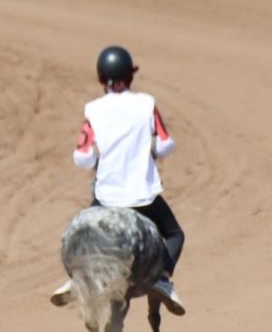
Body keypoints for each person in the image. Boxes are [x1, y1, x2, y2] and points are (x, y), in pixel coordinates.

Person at [50, 46, 185, 313]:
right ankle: (163, 278)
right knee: (175, 233)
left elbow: (82, 158)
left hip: (106, 198)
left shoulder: (93, 109)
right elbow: (167, 144)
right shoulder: (146, 103)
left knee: (82, 232)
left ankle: (75, 278)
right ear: (130, 76)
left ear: (102, 79)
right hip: (143, 197)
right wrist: (151, 152)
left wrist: (100, 161)